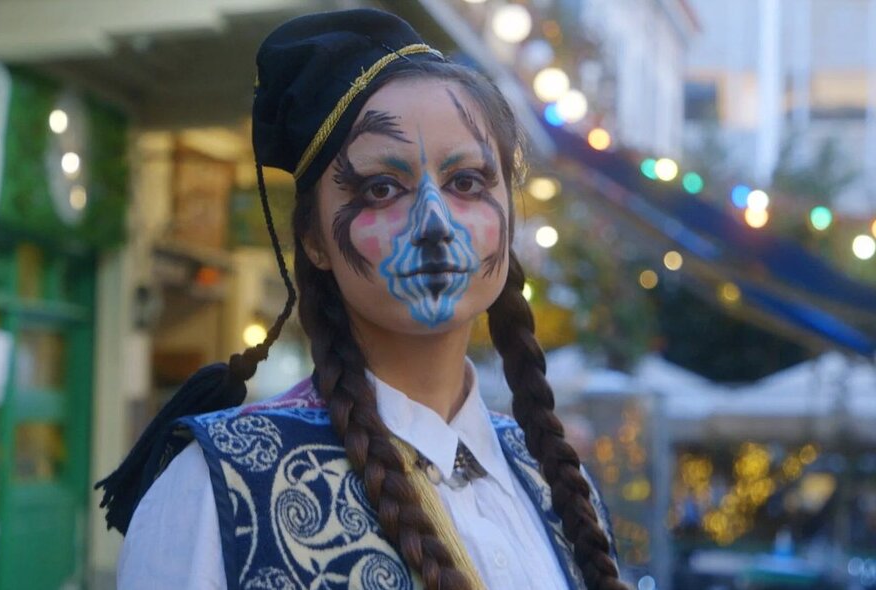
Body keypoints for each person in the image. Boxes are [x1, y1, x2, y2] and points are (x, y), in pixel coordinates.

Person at [98, 9, 623, 590]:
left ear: (508, 213)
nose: (434, 223)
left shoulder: (560, 487)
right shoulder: (212, 490)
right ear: (315, 240)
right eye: (381, 187)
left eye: (467, 182)